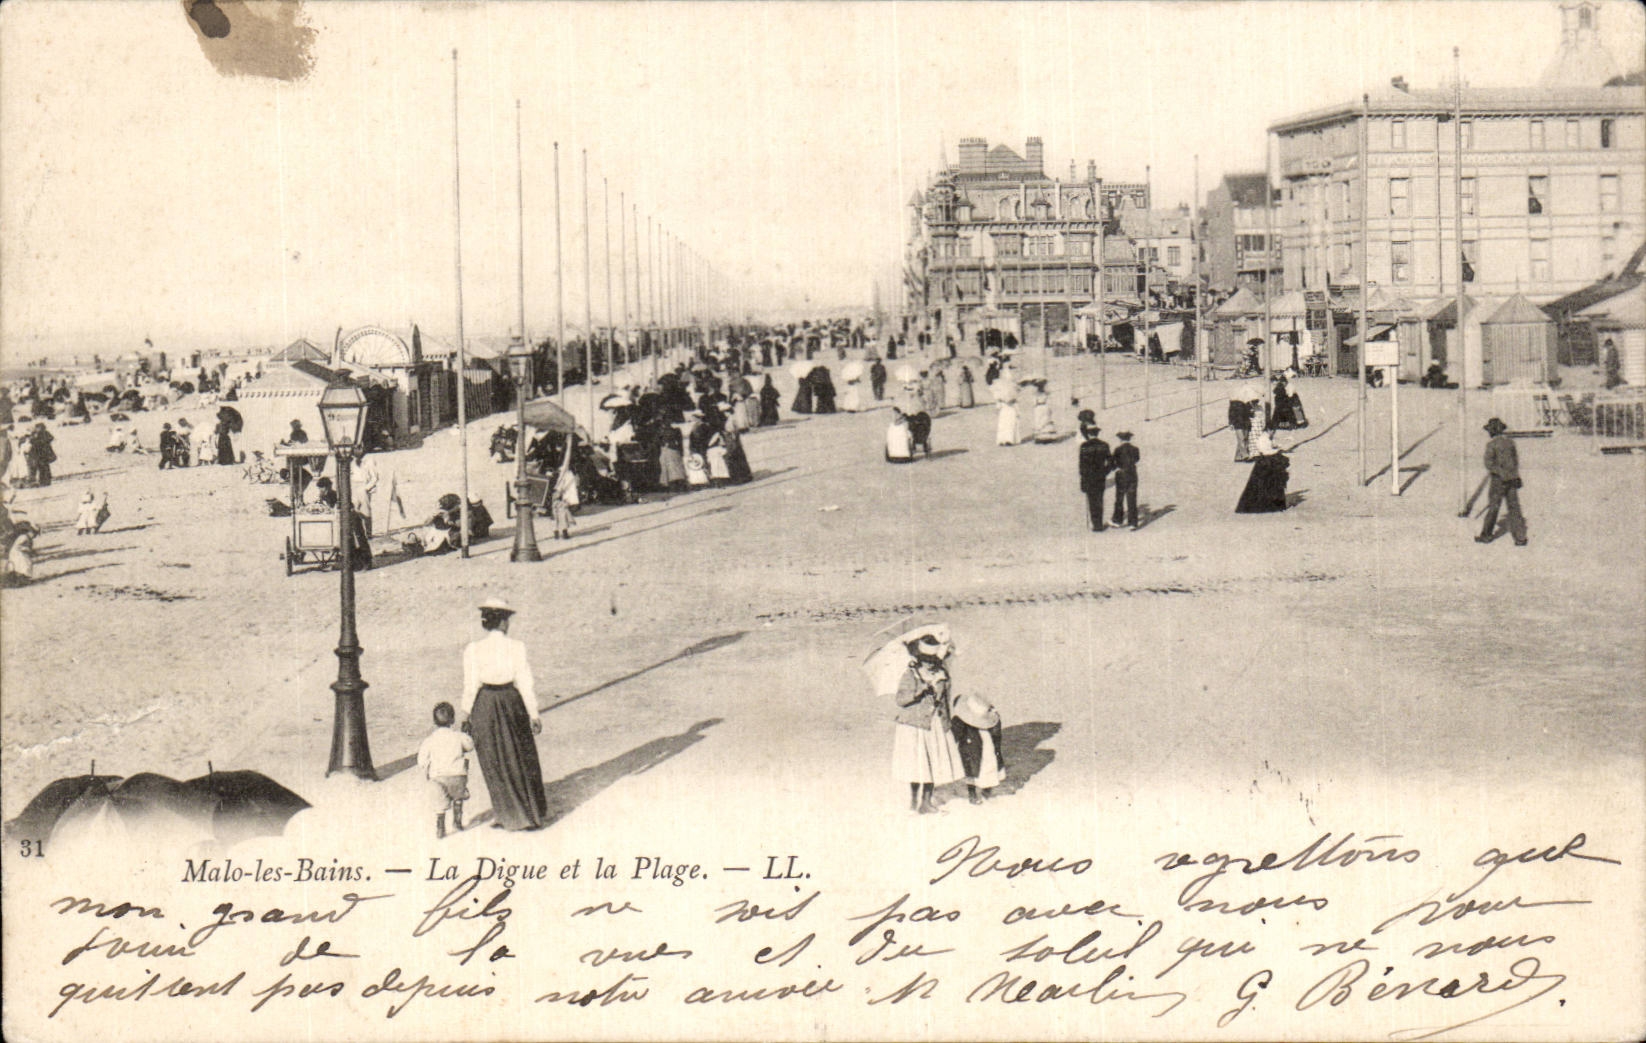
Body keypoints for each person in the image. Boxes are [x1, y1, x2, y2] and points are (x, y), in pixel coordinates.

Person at [460, 597, 548, 831]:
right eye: (506, 620)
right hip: (511, 702)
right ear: (501, 623)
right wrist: (534, 714)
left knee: (493, 760)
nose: (508, 624)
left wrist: (465, 713)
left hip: (485, 704)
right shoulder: (516, 647)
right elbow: (524, 682)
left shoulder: (473, 649)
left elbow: (471, 685)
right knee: (519, 754)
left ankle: (507, 813)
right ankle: (529, 814)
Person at [893, 629, 963, 814]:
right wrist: (921, 690)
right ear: (919, 659)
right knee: (917, 765)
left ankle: (926, 802)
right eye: (927, 661)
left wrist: (948, 722)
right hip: (914, 725)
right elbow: (901, 700)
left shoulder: (943, 674)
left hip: (936, 724)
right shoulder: (911, 674)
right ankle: (913, 802)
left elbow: (946, 700)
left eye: (933, 662)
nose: (930, 665)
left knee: (933, 763)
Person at [418, 701, 475, 839]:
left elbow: (421, 760)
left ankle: (440, 826)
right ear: (453, 720)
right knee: (458, 798)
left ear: (434, 721)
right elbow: (469, 746)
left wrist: (427, 769)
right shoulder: (458, 736)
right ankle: (457, 821)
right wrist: (467, 734)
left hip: (438, 777)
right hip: (457, 775)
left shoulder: (430, 740)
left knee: (439, 804)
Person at [1476, 417, 1527, 546]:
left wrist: (1500, 473)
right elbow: (1515, 462)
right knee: (1514, 509)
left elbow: (1489, 464)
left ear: (1491, 432)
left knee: (1493, 507)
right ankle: (1520, 538)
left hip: (1498, 480)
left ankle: (1486, 535)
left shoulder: (1491, 445)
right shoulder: (1510, 443)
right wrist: (1514, 475)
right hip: (1512, 479)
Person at [950, 688, 1004, 805]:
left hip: (981, 749)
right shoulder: (960, 721)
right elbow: (955, 734)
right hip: (973, 749)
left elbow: (954, 735)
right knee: (976, 771)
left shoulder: (961, 720)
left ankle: (982, 792)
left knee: (981, 770)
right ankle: (976, 793)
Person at [1235, 433, 1290, 513]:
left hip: (1264, 460)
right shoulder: (1263, 438)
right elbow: (1266, 450)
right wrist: (1277, 449)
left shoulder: (1265, 437)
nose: (1273, 432)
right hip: (1267, 460)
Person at [1077, 413, 1111, 532]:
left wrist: (1082, 480)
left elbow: (1081, 466)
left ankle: (1095, 524)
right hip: (1100, 476)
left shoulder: (1084, 446)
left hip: (1089, 477)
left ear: (1089, 433)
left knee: (1091, 500)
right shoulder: (1104, 445)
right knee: (1100, 499)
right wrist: (1105, 472)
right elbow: (1111, 462)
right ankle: (1099, 523)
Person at [1110, 430, 1140, 530]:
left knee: (1119, 498)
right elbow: (1137, 459)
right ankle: (1133, 523)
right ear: (1129, 438)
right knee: (1132, 498)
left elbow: (1114, 462)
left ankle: (1118, 520)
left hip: (1121, 474)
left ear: (1120, 439)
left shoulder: (1117, 449)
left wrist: (1115, 467)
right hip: (1132, 473)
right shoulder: (1135, 449)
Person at [994, 378, 1019, 446]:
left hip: (1004, 410)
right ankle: (1009, 439)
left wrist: (998, 409)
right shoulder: (1013, 393)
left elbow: (998, 405)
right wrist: (1017, 412)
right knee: (1010, 425)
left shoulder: (1000, 395)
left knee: (1003, 425)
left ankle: (1002, 440)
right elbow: (1016, 404)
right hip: (1010, 410)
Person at [1229, 395, 1252, 461]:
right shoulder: (1233, 403)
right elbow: (1231, 414)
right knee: (1241, 439)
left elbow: (1250, 414)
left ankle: (1238, 457)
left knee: (1245, 439)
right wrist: (1231, 423)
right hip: (1238, 423)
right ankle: (1245, 456)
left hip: (1246, 423)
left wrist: (1251, 410)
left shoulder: (1248, 403)